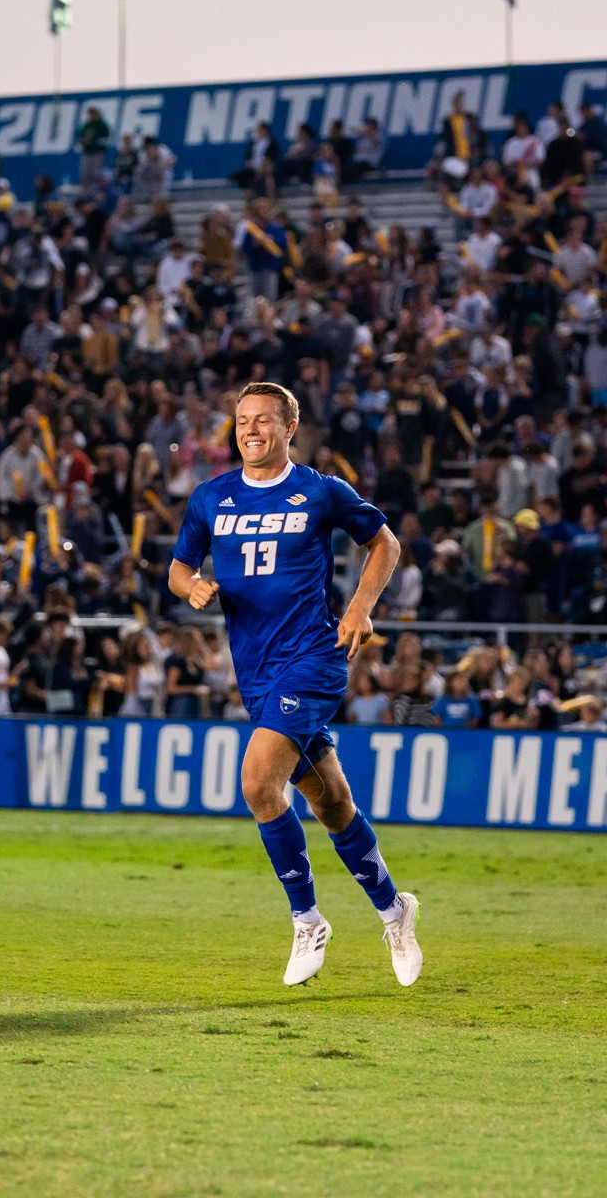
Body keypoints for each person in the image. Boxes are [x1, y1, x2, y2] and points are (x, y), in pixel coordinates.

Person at [169, 381, 423, 988]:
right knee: (332, 804)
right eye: (242, 421)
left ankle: (307, 920)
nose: (250, 430)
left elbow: (383, 541)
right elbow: (179, 567)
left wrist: (361, 607)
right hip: (254, 671)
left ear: (289, 428)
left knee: (258, 781)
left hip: (313, 657)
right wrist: (191, 587)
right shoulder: (211, 497)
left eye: (263, 420)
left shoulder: (319, 489)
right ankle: (395, 910)